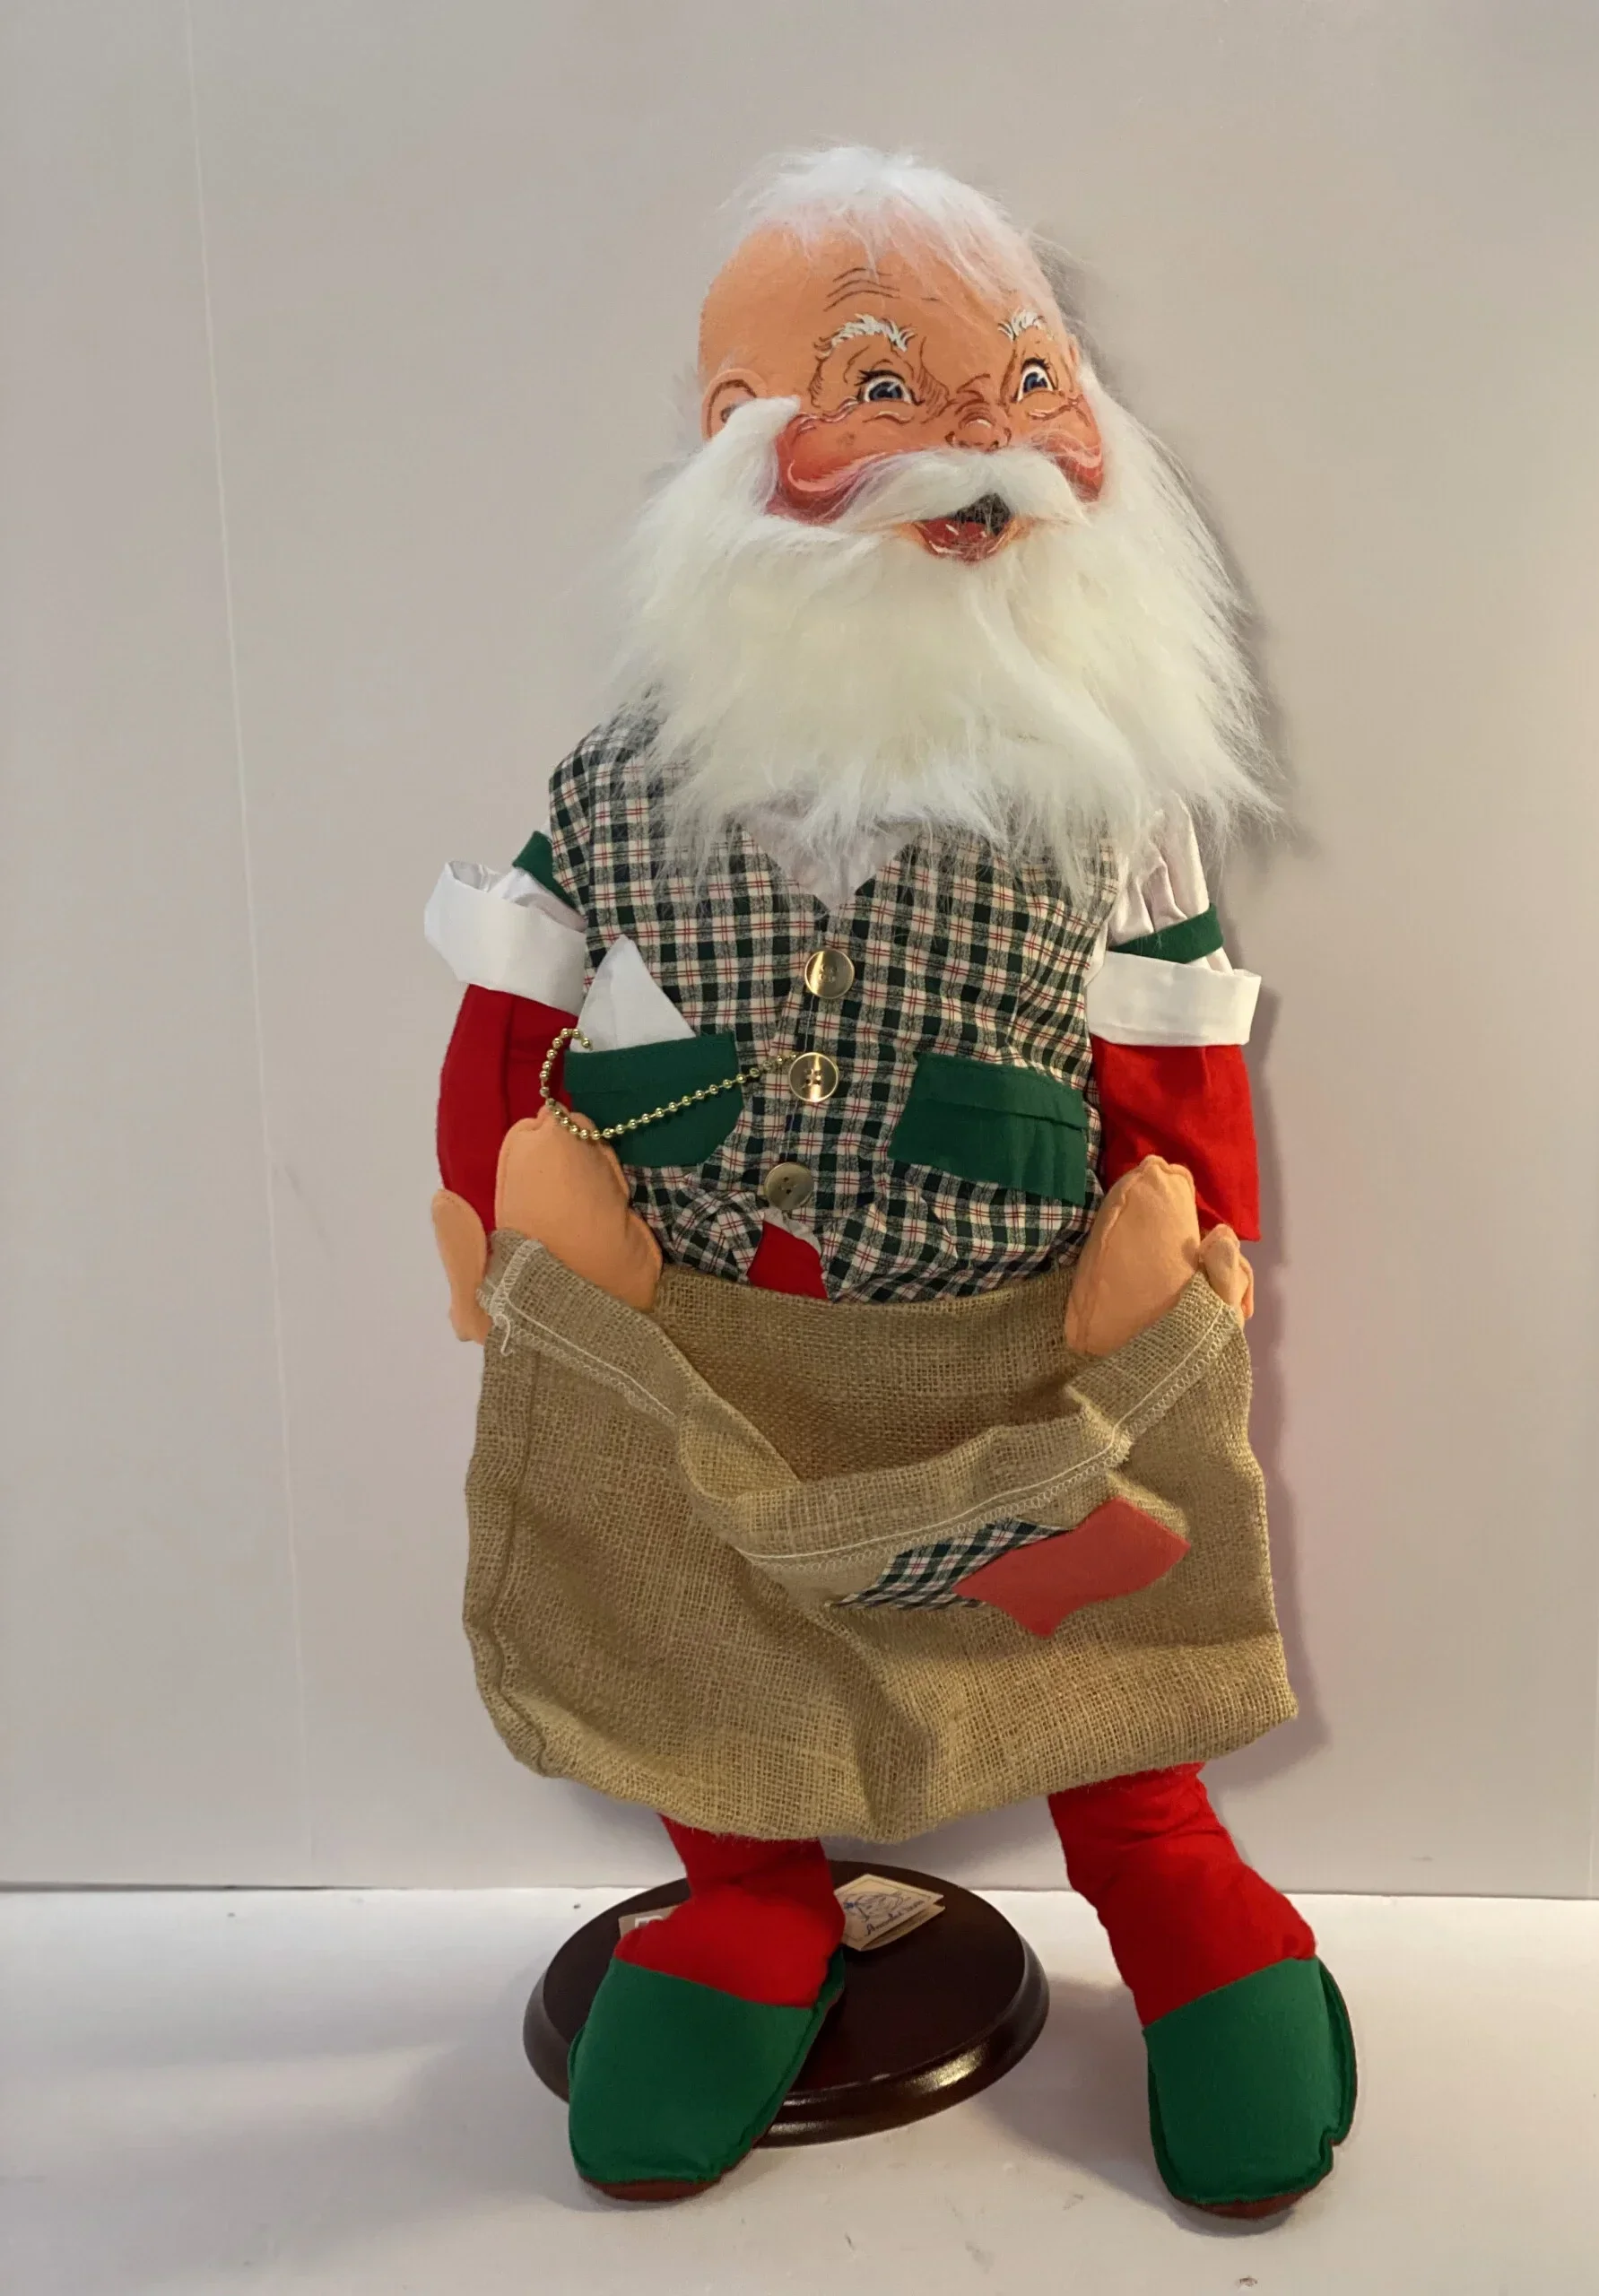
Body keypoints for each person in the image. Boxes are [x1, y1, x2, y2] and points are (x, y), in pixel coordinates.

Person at [426, 146, 1352, 2216]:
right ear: (732, 435)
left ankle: (1166, 1871)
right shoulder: (622, 784)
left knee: (1097, 1609)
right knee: (699, 1633)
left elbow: (1172, 1050)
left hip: (1025, 1356)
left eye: (1027, 378)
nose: (986, 448)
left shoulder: (1113, 800)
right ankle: (750, 1898)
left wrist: (1192, 1240)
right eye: (888, 383)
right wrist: (492, 1203)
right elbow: (518, 1011)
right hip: (699, 1357)